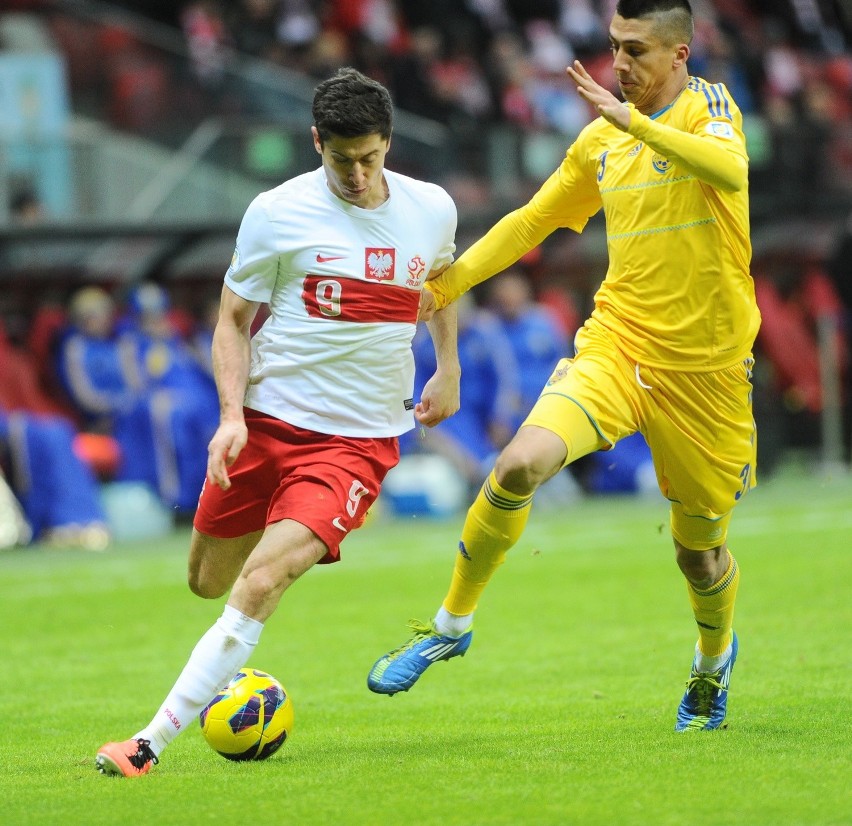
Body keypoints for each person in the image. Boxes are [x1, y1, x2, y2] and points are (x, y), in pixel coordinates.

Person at [368, 0, 760, 733]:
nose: (620, 65)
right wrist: (446, 285)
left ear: (679, 55)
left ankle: (711, 665)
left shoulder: (708, 108)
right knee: (518, 466)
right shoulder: (601, 142)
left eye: (637, 50)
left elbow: (731, 173)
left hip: (706, 373)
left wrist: (634, 122)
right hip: (619, 344)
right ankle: (450, 625)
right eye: (615, 46)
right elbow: (529, 221)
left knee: (698, 556)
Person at [95, 67, 460, 776]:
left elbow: (444, 282)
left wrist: (448, 365)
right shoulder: (276, 212)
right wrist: (231, 417)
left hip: (355, 443)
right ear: (316, 140)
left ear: (388, 143)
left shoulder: (431, 208)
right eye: (341, 159)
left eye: (371, 158)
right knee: (206, 580)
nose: (357, 175)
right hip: (265, 424)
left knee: (259, 585)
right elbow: (232, 322)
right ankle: (287, 534)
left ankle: (147, 744)